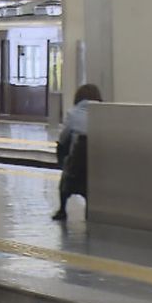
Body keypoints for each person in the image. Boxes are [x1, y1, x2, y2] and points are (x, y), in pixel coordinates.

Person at [52, 83, 102, 221]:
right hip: (97, 162)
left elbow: (63, 137)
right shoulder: (103, 113)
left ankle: (62, 210)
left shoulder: (72, 113)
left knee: (67, 157)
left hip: (76, 162)